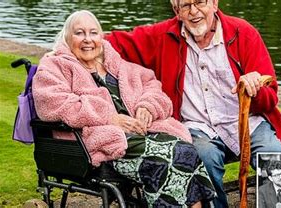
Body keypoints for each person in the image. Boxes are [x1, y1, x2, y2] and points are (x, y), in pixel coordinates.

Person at [105, 0, 281, 207]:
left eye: (200, 2)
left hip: (248, 121)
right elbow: (110, 41)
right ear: (177, 11)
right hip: (198, 127)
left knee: (278, 158)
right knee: (203, 158)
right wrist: (74, 41)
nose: (194, 11)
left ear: (214, 3)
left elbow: (271, 96)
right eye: (185, 5)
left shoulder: (243, 32)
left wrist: (254, 90)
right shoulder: (163, 36)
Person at [31, 10, 216, 207]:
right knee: (166, 158)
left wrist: (147, 107)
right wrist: (109, 118)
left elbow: (152, 86)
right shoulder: (54, 66)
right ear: (67, 38)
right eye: (79, 33)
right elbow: (53, 104)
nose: (87, 39)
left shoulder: (115, 64)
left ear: (101, 37)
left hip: (141, 133)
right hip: (100, 142)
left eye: (93, 33)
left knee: (186, 150)